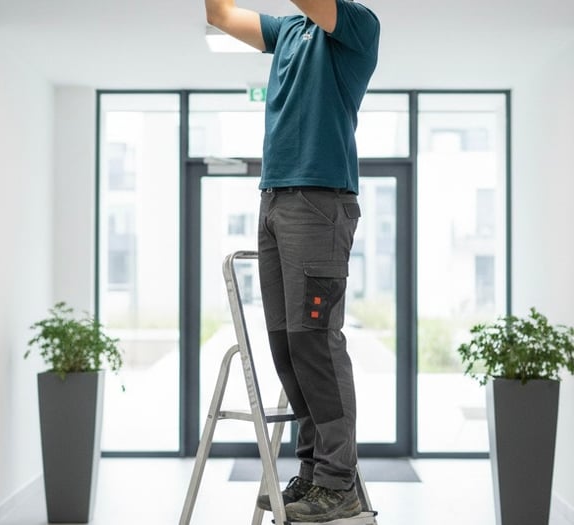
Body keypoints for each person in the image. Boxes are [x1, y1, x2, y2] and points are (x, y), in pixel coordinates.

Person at [204, 0, 380, 522]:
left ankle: (336, 481)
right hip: (275, 198)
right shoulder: (289, 31)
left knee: (316, 341)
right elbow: (220, 15)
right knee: (286, 343)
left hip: (319, 201)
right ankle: (312, 472)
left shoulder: (356, 24)